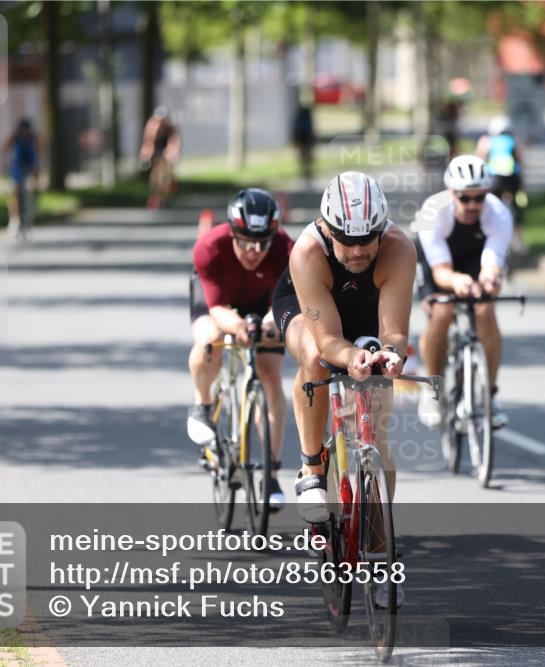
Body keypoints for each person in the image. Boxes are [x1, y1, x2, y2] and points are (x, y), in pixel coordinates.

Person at [272, 171, 414, 606]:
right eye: (346, 240)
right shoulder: (308, 251)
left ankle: (378, 552)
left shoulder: (398, 250)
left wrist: (388, 356)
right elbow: (330, 340)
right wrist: (348, 356)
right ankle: (312, 467)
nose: (356, 250)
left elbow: (393, 333)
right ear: (327, 228)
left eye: (366, 239)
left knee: (378, 438)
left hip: (366, 313)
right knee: (315, 357)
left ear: (381, 230)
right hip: (309, 313)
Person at [187, 188, 293, 511]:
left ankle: (271, 473)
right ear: (232, 233)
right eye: (245, 241)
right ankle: (204, 406)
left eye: (262, 242)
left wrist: (271, 323)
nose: (254, 250)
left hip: (263, 302)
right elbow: (216, 307)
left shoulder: (287, 250)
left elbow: (286, 300)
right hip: (218, 300)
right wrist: (239, 328)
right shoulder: (209, 248)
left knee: (271, 376)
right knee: (209, 342)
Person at [413, 155, 512, 430]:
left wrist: (489, 280)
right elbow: (441, 272)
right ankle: (431, 391)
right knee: (442, 312)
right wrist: (458, 283)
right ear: (450, 193)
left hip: (473, 253)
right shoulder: (433, 211)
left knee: (485, 308)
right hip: (437, 261)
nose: (472, 205)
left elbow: (492, 264)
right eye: (464, 198)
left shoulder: (499, 214)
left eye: (479, 197)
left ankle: (489, 396)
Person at [475, 116, 524, 226]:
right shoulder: (513, 140)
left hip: (494, 178)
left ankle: (493, 228)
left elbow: (480, 159)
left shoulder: (486, 140)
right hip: (512, 177)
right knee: (515, 206)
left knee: (492, 205)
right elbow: (519, 159)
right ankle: (518, 236)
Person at [139, 106, 181, 209]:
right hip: (155, 152)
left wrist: (172, 152)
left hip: (165, 152)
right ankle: (154, 197)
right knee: (155, 177)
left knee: (165, 176)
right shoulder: (152, 126)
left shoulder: (170, 127)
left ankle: (163, 197)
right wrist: (146, 155)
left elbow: (174, 140)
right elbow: (148, 141)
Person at [3, 118, 40, 235]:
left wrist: (38, 166)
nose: (25, 133)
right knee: (16, 192)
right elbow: (5, 148)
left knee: (34, 184)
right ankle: (14, 219)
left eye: (26, 131)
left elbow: (41, 149)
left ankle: (33, 204)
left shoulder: (33, 138)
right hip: (18, 166)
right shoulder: (15, 138)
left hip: (30, 164)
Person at [291, 103, 315, 186]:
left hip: (305, 140)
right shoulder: (304, 116)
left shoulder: (303, 116)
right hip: (305, 140)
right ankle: (306, 173)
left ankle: (307, 173)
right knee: (305, 158)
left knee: (306, 158)